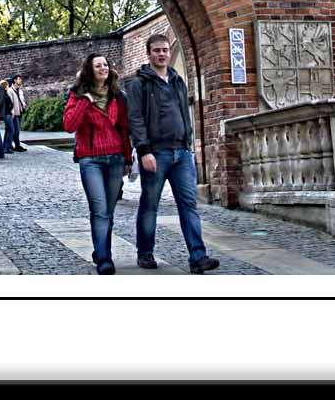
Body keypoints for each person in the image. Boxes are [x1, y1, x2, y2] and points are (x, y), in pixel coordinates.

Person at [124, 34, 220, 274]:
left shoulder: (177, 80)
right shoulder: (139, 84)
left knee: (188, 204)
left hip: (181, 154)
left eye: (165, 50)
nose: (162, 54)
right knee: (150, 205)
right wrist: (143, 150)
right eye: (157, 50)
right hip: (156, 153)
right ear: (149, 53)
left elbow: (184, 112)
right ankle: (145, 252)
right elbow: (135, 119)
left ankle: (198, 257)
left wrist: (188, 143)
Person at [63, 54, 133, 275]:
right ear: (89, 70)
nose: (103, 68)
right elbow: (69, 125)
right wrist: (84, 101)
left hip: (115, 159)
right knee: (100, 210)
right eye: (98, 65)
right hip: (91, 159)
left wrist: (128, 159)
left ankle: (101, 249)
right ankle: (104, 258)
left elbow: (124, 129)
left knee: (109, 211)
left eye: (105, 64)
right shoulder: (77, 95)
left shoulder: (118, 96)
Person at [8, 73, 28, 151]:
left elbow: (22, 100)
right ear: (14, 80)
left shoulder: (20, 91)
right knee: (14, 131)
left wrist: (24, 105)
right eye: (19, 79)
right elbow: (10, 103)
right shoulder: (10, 90)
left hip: (20, 112)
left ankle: (16, 145)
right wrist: (12, 112)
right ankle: (12, 145)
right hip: (14, 113)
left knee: (17, 131)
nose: (20, 80)